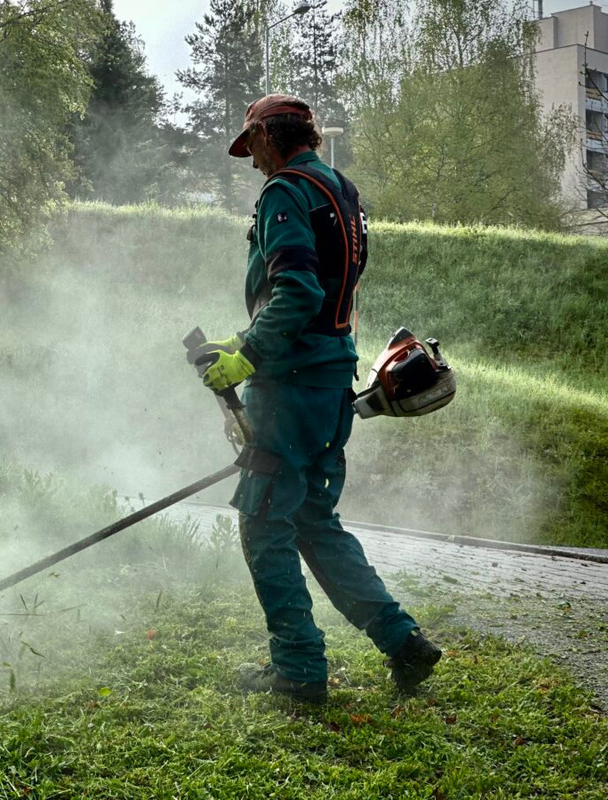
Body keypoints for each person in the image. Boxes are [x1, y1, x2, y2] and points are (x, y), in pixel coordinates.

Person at [193, 94, 442, 705]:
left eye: (250, 147)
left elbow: (299, 289)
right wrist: (244, 340)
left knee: (264, 524)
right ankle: (402, 639)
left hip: (292, 388)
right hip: (329, 377)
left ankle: (300, 672)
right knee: (314, 522)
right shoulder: (340, 191)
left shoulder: (284, 192)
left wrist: (248, 356)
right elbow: (330, 292)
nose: (251, 162)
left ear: (270, 137)